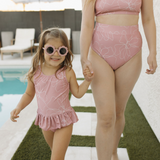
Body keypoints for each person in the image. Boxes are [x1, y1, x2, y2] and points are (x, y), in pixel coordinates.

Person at [80, 0, 157, 160]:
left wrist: (152, 52)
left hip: (131, 54)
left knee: (119, 112)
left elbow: (148, 19)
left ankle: (113, 151)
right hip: (99, 54)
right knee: (106, 117)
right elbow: (87, 24)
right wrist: (83, 56)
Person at [10, 28, 93, 160]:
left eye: (61, 50)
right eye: (50, 49)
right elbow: (28, 94)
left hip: (64, 120)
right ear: (42, 50)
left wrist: (88, 81)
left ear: (66, 51)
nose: (56, 54)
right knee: (55, 152)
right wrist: (19, 107)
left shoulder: (67, 72)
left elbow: (77, 93)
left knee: (56, 158)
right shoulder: (35, 72)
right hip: (46, 120)